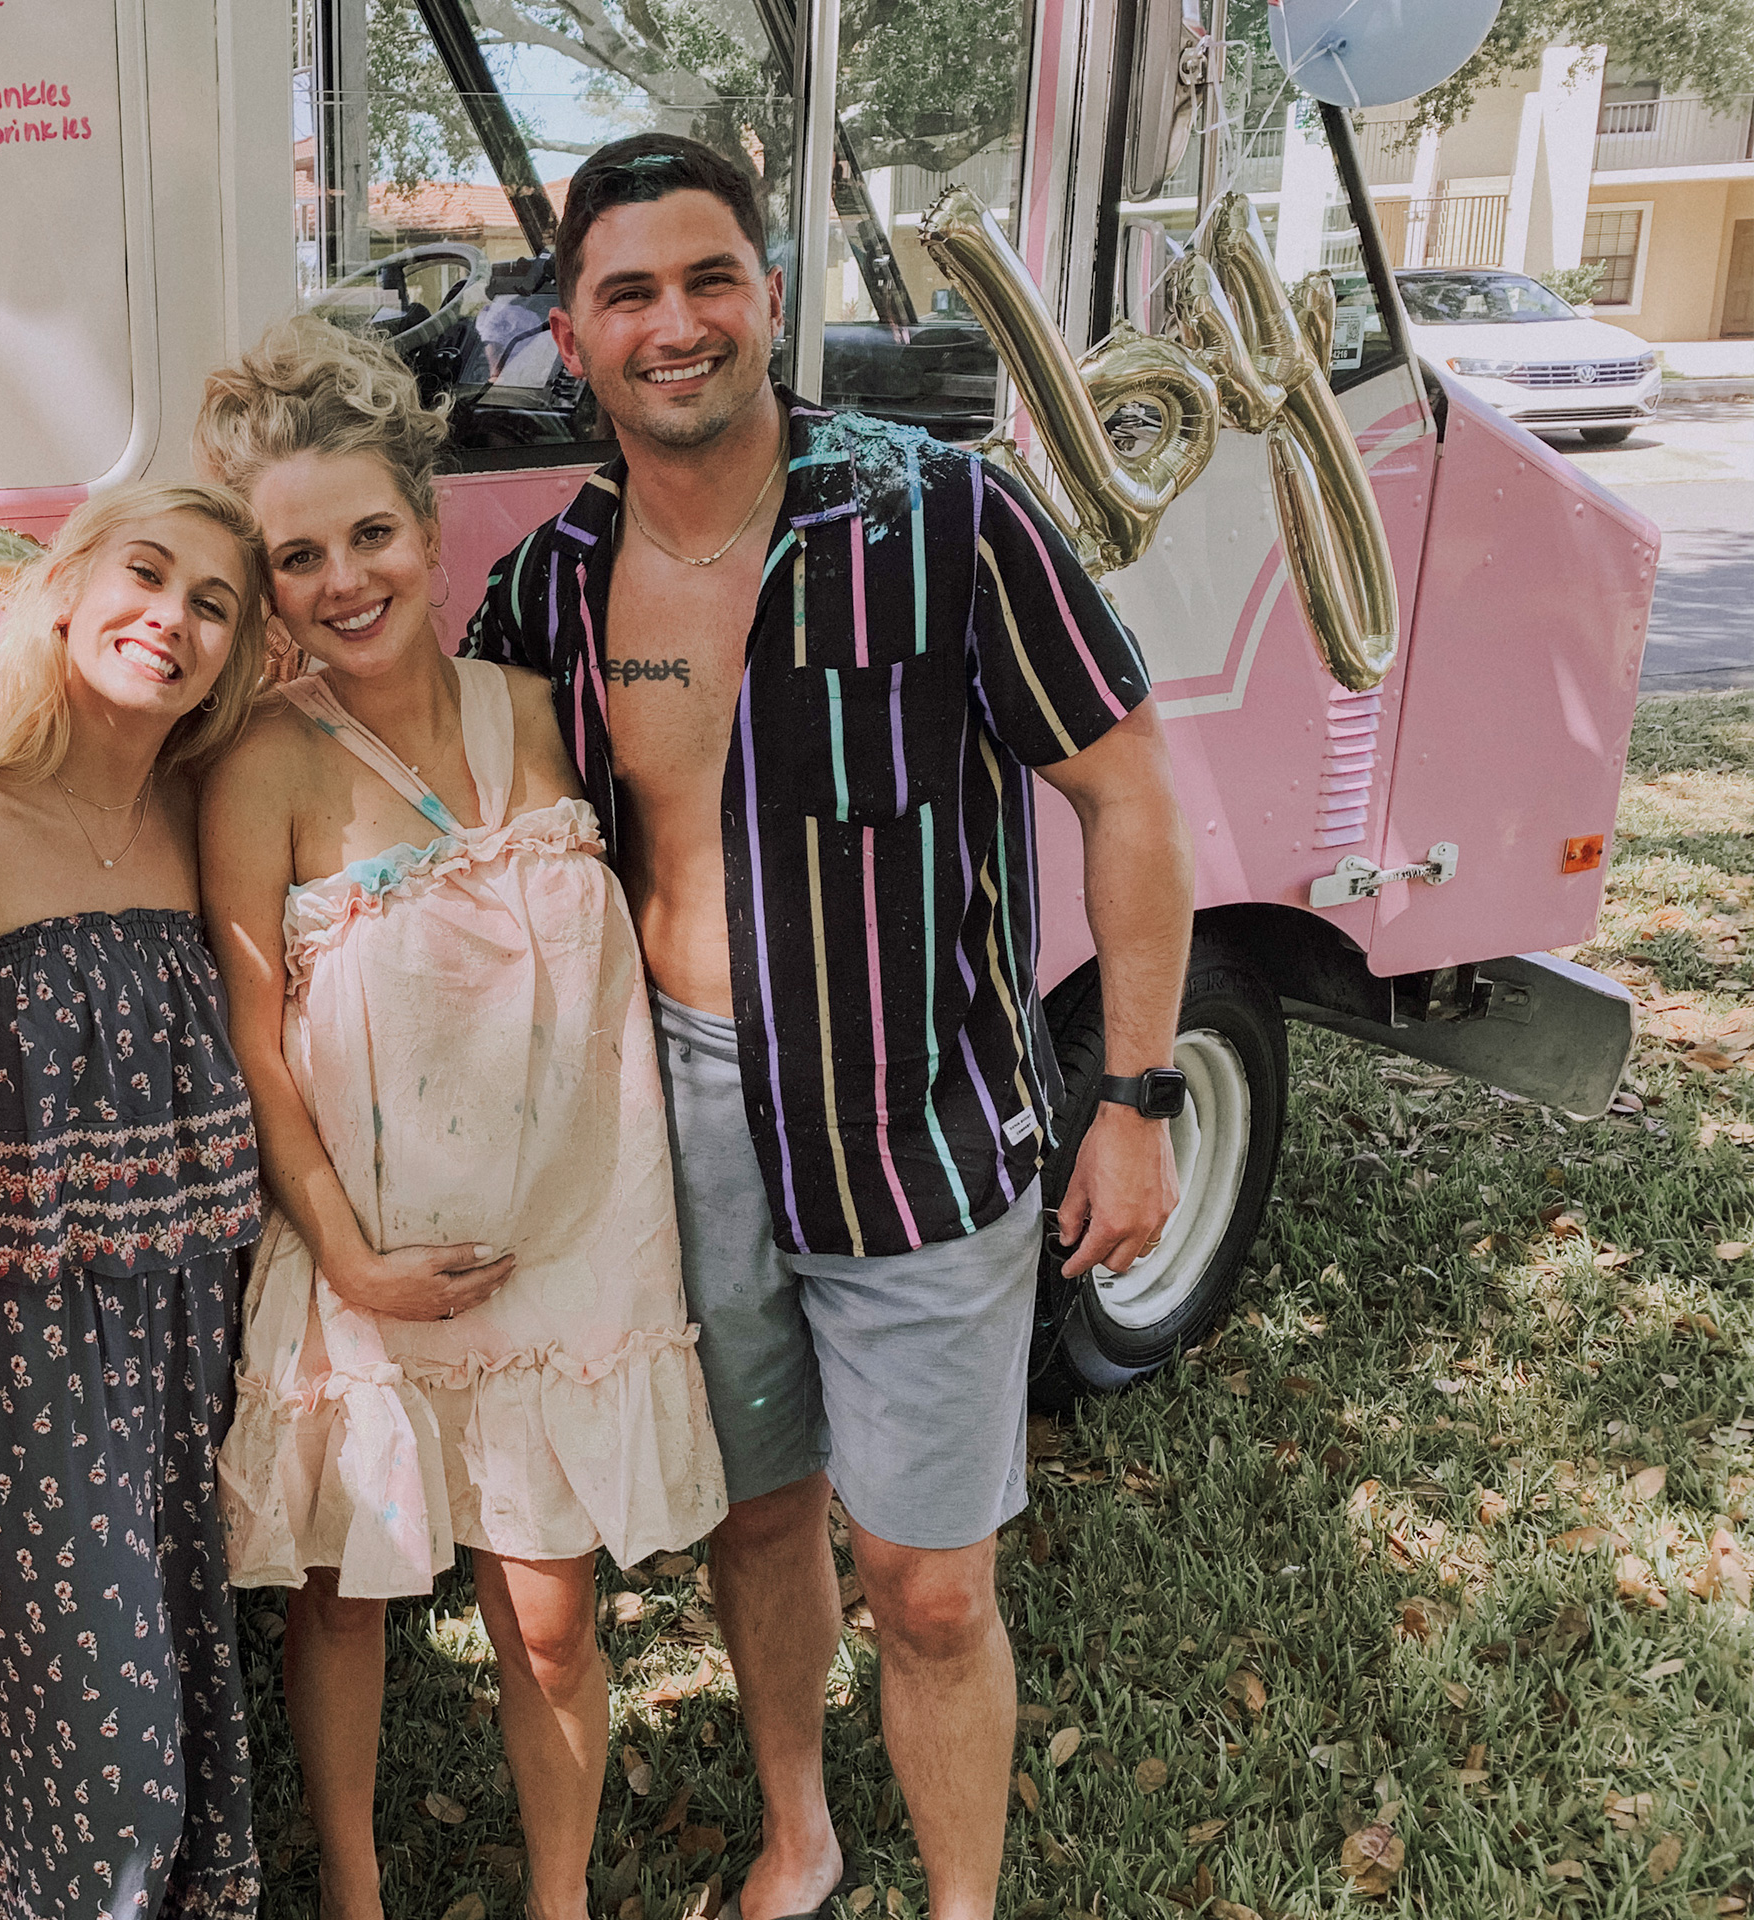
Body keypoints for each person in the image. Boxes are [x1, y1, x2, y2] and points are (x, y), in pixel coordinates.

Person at [465, 136, 1196, 1920]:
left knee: (932, 1582)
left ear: (771, 295)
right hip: (677, 1135)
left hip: (917, 1122)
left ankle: (964, 1904)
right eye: (628, 292)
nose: (676, 323)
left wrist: (1138, 1094)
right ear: (573, 333)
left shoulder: (943, 515)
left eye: (710, 278)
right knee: (757, 1513)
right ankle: (801, 1831)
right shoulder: (549, 589)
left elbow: (1128, 795)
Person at [195, 317, 729, 1920]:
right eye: (298, 558)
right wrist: (346, 1262)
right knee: (346, 1597)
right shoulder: (262, 768)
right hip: (367, 1246)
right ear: (269, 587)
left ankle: (557, 1898)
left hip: (557, 1240)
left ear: (430, 533)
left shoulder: (536, 708)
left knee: (553, 1614)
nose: (344, 580)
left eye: (369, 534)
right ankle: (356, 1895)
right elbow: (257, 1044)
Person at [0, 479, 273, 1920]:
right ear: (69, 588)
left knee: (189, 1686)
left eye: (215, 603)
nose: (174, 617)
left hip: (191, 1332)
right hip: (26, 1360)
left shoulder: (205, 818)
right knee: (100, 1749)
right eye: (147, 574)